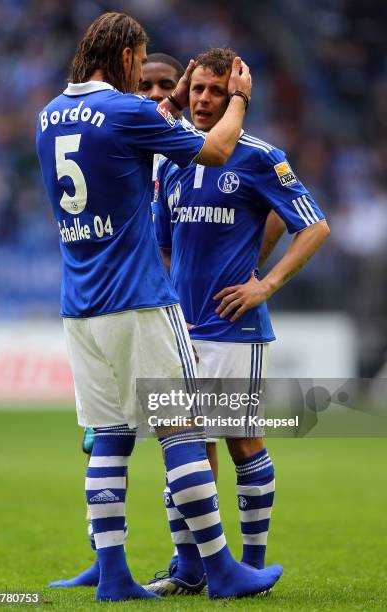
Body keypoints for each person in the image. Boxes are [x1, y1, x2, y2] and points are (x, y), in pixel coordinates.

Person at [36, 12, 282, 602]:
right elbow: (218, 149)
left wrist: (162, 101)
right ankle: (220, 569)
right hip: (140, 299)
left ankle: (114, 576)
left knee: (110, 434)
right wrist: (240, 98)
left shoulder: (48, 117)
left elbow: (118, 142)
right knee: (184, 431)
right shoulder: (130, 113)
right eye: (140, 60)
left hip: (79, 306)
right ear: (126, 59)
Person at [146, 47, 330, 596]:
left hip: (233, 329)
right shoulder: (175, 159)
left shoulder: (257, 156)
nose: (203, 101)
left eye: (217, 93)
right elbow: (163, 249)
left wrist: (264, 283)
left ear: (237, 100)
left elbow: (314, 225)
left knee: (241, 443)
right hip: (181, 331)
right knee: (185, 448)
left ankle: (250, 566)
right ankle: (190, 568)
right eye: (197, 90)